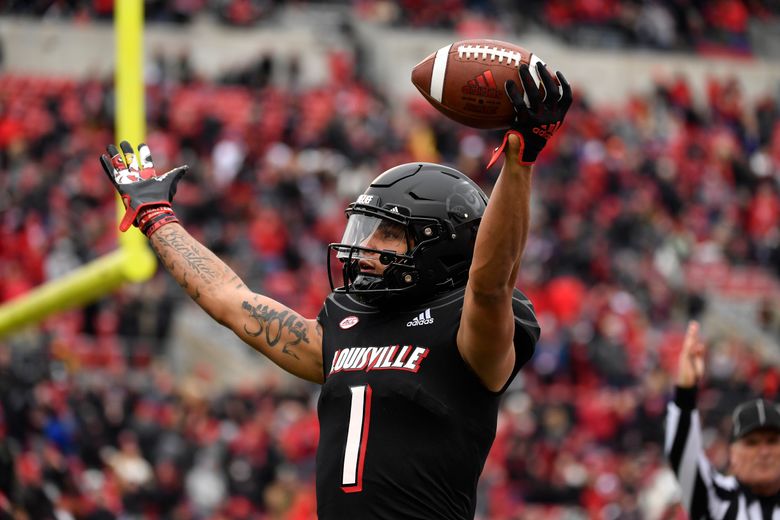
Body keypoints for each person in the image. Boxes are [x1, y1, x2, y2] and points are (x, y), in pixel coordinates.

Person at [98, 62, 572, 519]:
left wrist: (519, 161)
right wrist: (157, 219)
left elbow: (490, 283)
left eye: (387, 232)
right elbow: (229, 299)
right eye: (365, 229)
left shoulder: (469, 330)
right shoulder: (346, 323)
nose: (364, 246)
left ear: (438, 243)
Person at [665, 321, 780, 519]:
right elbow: (682, 458)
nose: (764, 452)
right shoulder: (717, 497)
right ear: (732, 454)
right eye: (752, 443)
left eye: (772, 441)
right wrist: (685, 392)